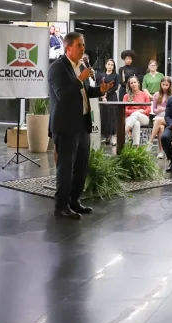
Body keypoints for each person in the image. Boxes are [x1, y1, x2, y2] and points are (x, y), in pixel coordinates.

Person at [47, 32, 114, 219]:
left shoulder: (80, 66)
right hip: (66, 126)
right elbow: (63, 95)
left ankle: (74, 201)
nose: (83, 49)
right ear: (68, 48)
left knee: (81, 166)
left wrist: (99, 90)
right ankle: (61, 206)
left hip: (82, 123)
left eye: (84, 45)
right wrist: (80, 79)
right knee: (66, 168)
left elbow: (83, 93)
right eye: (79, 45)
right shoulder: (57, 68)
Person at [123, 76, 152, 146]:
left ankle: (124, 132)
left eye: (134, 82)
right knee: (136, 123)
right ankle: (136, 146)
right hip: (130, 119)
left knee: (136, 114)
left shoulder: (144, 95)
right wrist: (138, 110)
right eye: (131, 83)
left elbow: (148, 109)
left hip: (144, 117)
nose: (133, 84)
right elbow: (125, 110)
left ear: (138, 83)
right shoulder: (126, 96)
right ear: (129, 85)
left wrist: (140, 112)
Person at [149, 77, 172, 158]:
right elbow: (154, 110)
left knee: (159, 121)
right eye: (163, 84)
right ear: (160, 84)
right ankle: (161, 152)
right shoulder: (156, 94)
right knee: (161, 128)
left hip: (168, 117)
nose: (165, 87)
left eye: (167, 85)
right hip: (159, 116)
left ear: (170, 85)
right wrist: (158, 110)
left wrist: (165, 109)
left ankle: (150, 142)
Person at [98, 59, 119, 144]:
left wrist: (107, 93)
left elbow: (115, 87)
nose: (110, 66)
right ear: (105, 65)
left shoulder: (116, 75)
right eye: (108, 64)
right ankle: (106, 136)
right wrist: (103, 94)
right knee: (105, 116)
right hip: (103, 97)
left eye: (112, 65)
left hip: (112, 96)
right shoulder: (101, 75)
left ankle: (114, 135)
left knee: (112, 116)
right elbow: (99, 86)